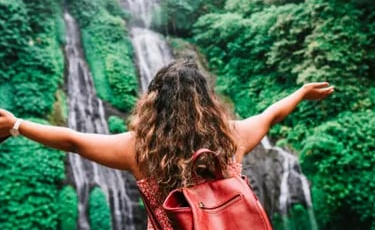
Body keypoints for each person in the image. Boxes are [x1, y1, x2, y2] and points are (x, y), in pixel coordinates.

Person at [0, 59, 334, 229]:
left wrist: (16, 125)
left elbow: (74, 141)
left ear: (154, 102)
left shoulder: (139, 149)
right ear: (206, 100)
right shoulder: (232, 137)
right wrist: (302, 92)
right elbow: (272, 114)